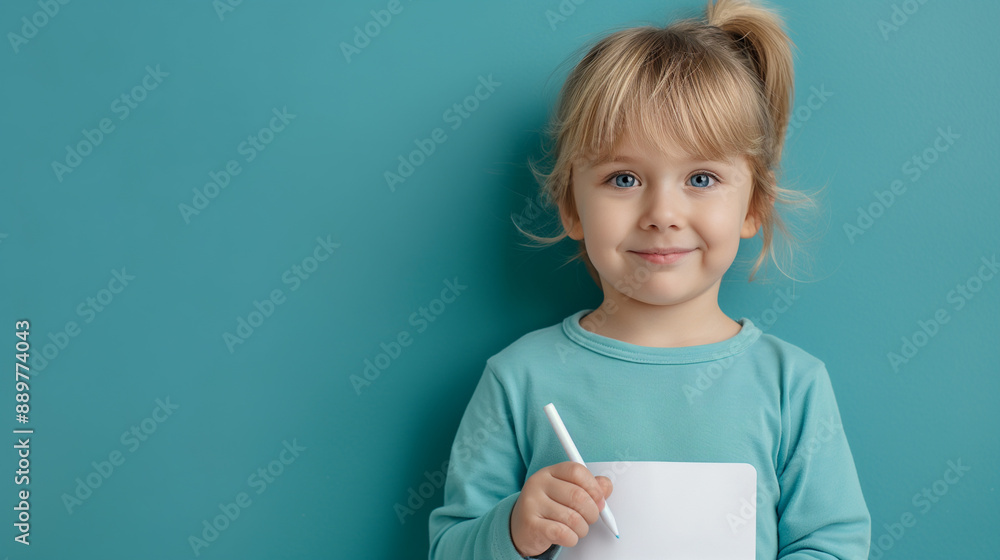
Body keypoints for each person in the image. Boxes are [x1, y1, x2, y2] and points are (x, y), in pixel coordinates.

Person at [427, 0, 871, 558]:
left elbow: (832, 545)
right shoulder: (518, 380)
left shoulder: (793, 388)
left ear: (753, 204)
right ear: (570, 207)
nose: (662, 212)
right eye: (624, 177)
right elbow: (450, 549)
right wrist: (514, 529)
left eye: (702, 177)